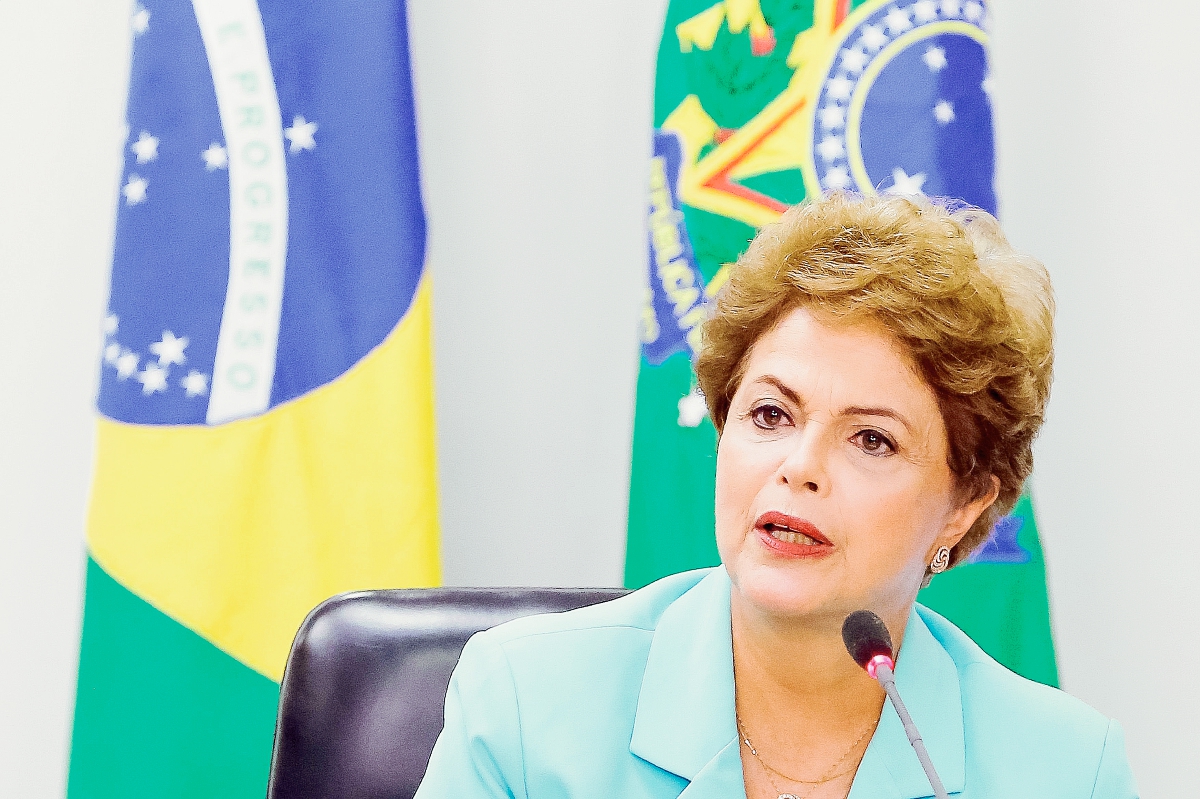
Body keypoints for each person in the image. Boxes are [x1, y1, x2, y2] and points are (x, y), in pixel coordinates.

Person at [414, 194, 1138, 798]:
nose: (800, 466)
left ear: (964, 507)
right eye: (770, 415)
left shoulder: (1067, 771)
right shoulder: (526, 707)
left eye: (872, 440)